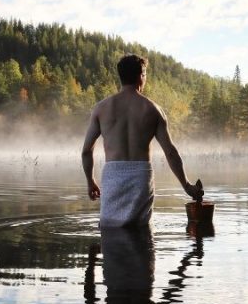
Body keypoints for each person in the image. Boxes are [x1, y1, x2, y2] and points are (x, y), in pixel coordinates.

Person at [81, 54, 203, 227]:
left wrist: (90, 181)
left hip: (112, 175)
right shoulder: (153, 109)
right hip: (141, 175)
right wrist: (186, 185)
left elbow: (86, 151)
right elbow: (170, 152)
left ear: (121, 77)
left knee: (109, 226)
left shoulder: (101, 109)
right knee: (140, 229)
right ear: (141, 75)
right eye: (145, 74)